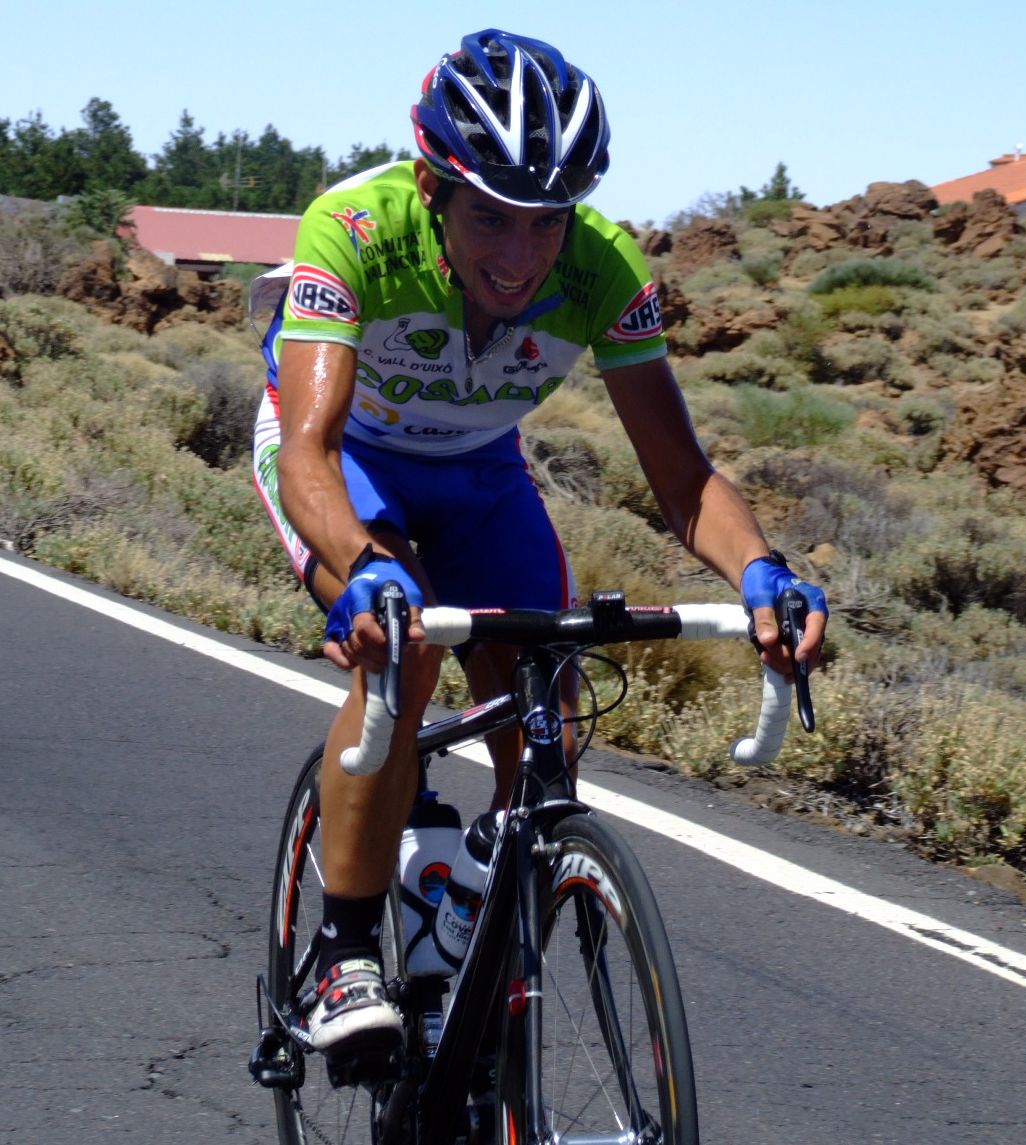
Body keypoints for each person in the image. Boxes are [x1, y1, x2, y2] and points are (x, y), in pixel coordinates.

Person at [251, 28, 827, 1059]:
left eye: (545, 222)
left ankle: (475, 894)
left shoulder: (604, 268)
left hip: (479, 472)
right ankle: (344, 947)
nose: (520, 257)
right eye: (490, 217)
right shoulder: (354, 228)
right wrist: (365, 568)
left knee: (547, 710)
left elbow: (682, 478)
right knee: (405, 656)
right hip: (351, 465)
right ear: (432, 189)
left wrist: (761, 570)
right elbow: (310, 452)